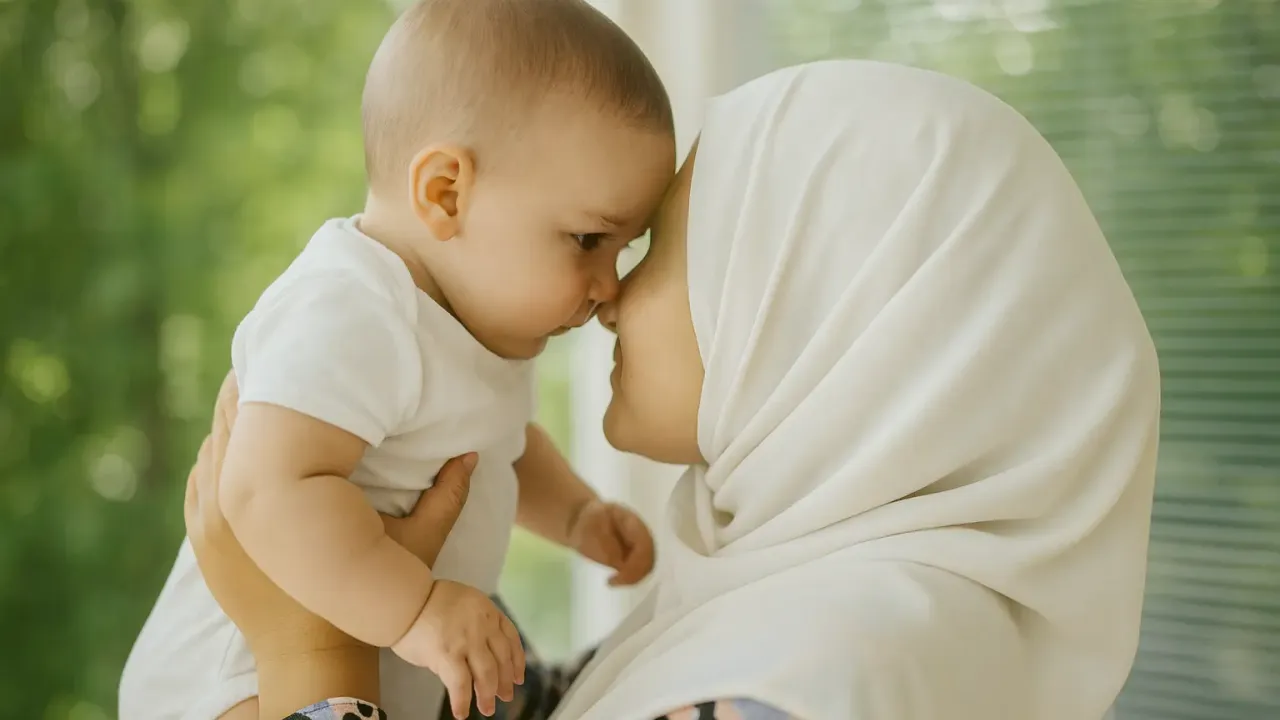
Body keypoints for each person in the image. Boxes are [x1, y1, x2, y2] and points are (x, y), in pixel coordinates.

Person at [186, 60, 1162, 720]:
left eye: (654, 248)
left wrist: (311, 657)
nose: (609, 296)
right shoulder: (836, 629)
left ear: (799, 310)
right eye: (595, 241)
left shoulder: (817, 674)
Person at [118, 1, 674, 718]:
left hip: (369, 673)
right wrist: (418, 609)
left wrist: (577, 515)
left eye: (623, 249)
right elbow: (265, 489)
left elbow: (502, 445)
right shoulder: (353, 306)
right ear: (446, 193)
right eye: (589, 241)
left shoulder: (471, 323)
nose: (609, 287)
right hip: (233, 683)